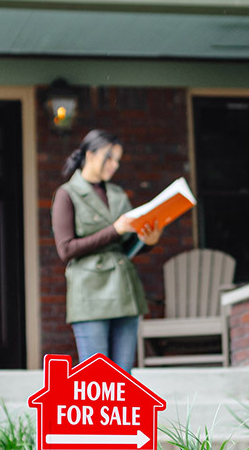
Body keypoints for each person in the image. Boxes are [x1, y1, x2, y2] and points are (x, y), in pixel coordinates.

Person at [52, 129, 166, 373]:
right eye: (109, 158)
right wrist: (114, 230)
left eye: (117, 160)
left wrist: (148, 240)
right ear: (90, 154)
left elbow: (125, 246)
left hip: (124, 291)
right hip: (90, 294)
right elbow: (66, 249)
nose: (114, 165)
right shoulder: (67, 194)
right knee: (95, 378)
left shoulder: (117, 193)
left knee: (123, 377)